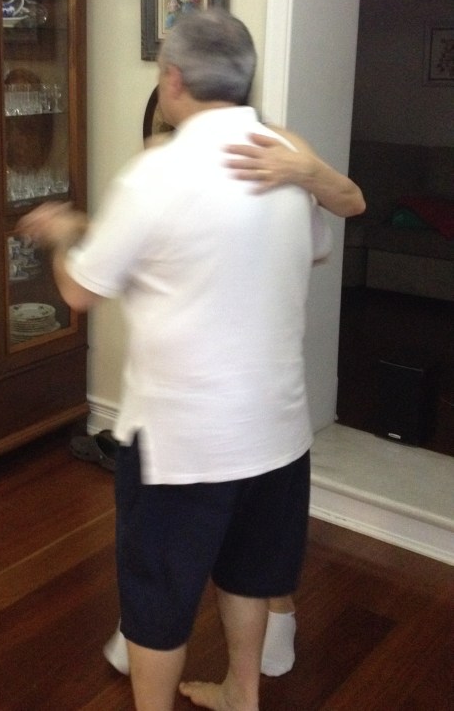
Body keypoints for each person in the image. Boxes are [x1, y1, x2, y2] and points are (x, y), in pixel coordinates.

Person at [17, 7, 346, 711]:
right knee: (249, 573)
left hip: (183, 440)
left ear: (171, 79)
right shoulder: (289, 164)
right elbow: (305, 248)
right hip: (278, 430)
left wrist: (61, 234)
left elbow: (79, 290)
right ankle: (241, 693)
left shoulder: (155, 174)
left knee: (157, 595)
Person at [101, 124, 365, 681]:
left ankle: (272, 621)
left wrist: (302, 178)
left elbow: (347, 204)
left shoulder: (274, 148)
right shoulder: (162, 170)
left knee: (249, 531)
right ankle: (149, 630)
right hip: (197, 395)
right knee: (199, 533)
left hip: (256, 393)